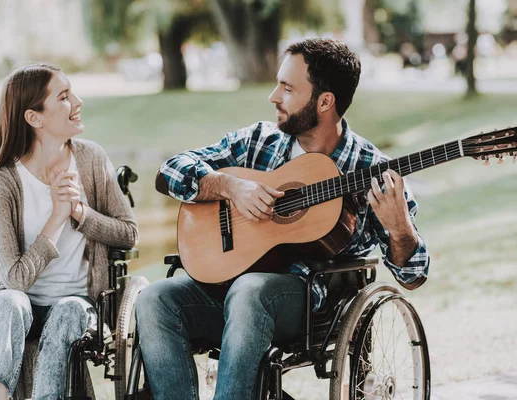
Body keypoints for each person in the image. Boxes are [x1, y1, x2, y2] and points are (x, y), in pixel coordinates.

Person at [136, 38, 430, 400]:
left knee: (250, 290)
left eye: (288, 88)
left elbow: (413, 274)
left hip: (305, 305)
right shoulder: (260, 140)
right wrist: (231, 187)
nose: (273, 96)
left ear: (325, 102)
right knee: (155, 298)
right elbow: (170, 173)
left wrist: (400, 228)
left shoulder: (371, 169)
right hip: (225, 289)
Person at [0, 63, 139, 400]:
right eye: (64, 97)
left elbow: (129, 234)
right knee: (11, 301)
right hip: (13, 303)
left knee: (68, 310)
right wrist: (57, 218)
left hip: (77, 301)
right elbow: (15, 279)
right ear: (35, 118)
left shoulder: (90, 158)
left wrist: (80, 212)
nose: (77, 101)